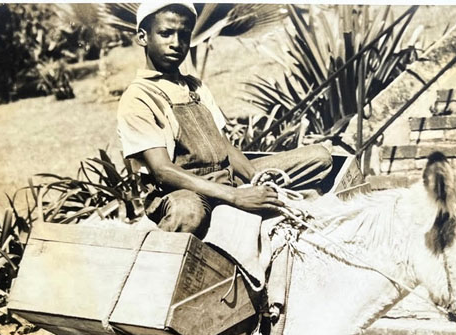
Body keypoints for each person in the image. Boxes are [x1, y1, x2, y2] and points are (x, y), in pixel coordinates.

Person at [117, 1, 333, 238]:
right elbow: (163, 171)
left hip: (227, 177)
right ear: (143, 37)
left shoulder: (194, 86)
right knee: (188, 213)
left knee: (320, 158)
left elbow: (225, 146)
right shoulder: (138, 96)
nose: (176, 44)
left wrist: (256, 180)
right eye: (166, 33)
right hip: (182, 190)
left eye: (184, 34)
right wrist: (235, 196)